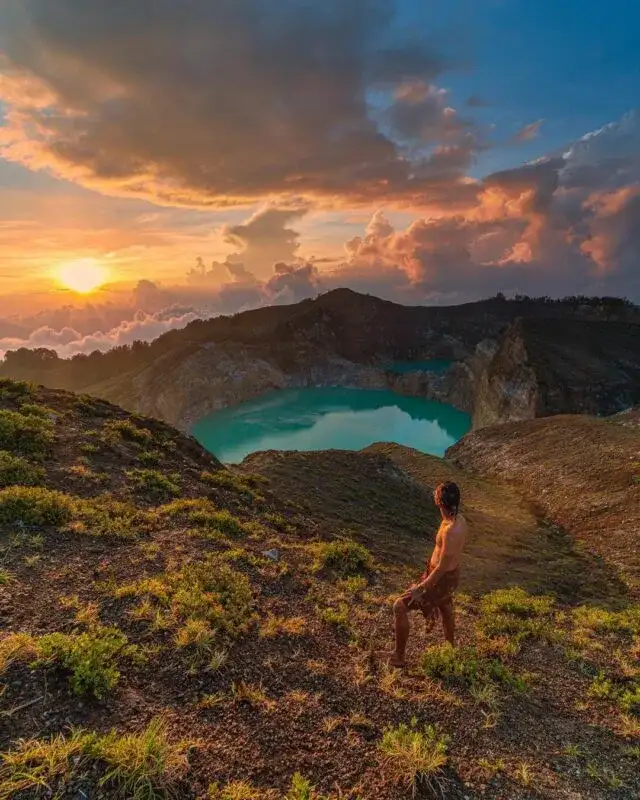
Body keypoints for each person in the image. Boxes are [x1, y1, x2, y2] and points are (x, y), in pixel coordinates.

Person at [379, 481, 467, 668]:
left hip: (440, 579)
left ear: (440, 501)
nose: (433, 493)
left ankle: (398, 657)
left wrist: (420, 588)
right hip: (448, 577)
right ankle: (450, 652)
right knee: (446, 606)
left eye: (436, 493)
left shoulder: (451, 531)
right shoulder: (458, 519)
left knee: (399, 607)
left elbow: (442, 568)